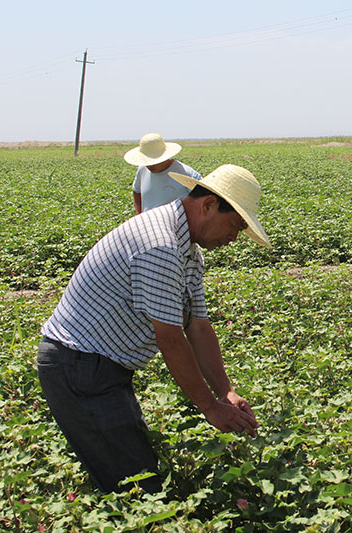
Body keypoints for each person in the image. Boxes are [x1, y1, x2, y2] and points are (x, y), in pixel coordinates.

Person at [36, 164, 271, 493]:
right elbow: (171, 340)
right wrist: (209, 407)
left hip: (100, 367)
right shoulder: (160, 246)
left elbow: (198, 327)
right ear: (208, 205)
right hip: (78, 366)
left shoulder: (189, 251)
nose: (233, 238)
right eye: (234, 226)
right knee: (136, 485)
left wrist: (225, 392)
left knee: (135, 470)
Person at [124, 132, 203, 214]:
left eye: (154, 161)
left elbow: (206, 199)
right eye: (147, 161)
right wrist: (139, 214)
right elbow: (136, 190)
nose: (150, 165)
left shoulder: (186, 173)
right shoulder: (142, 170)